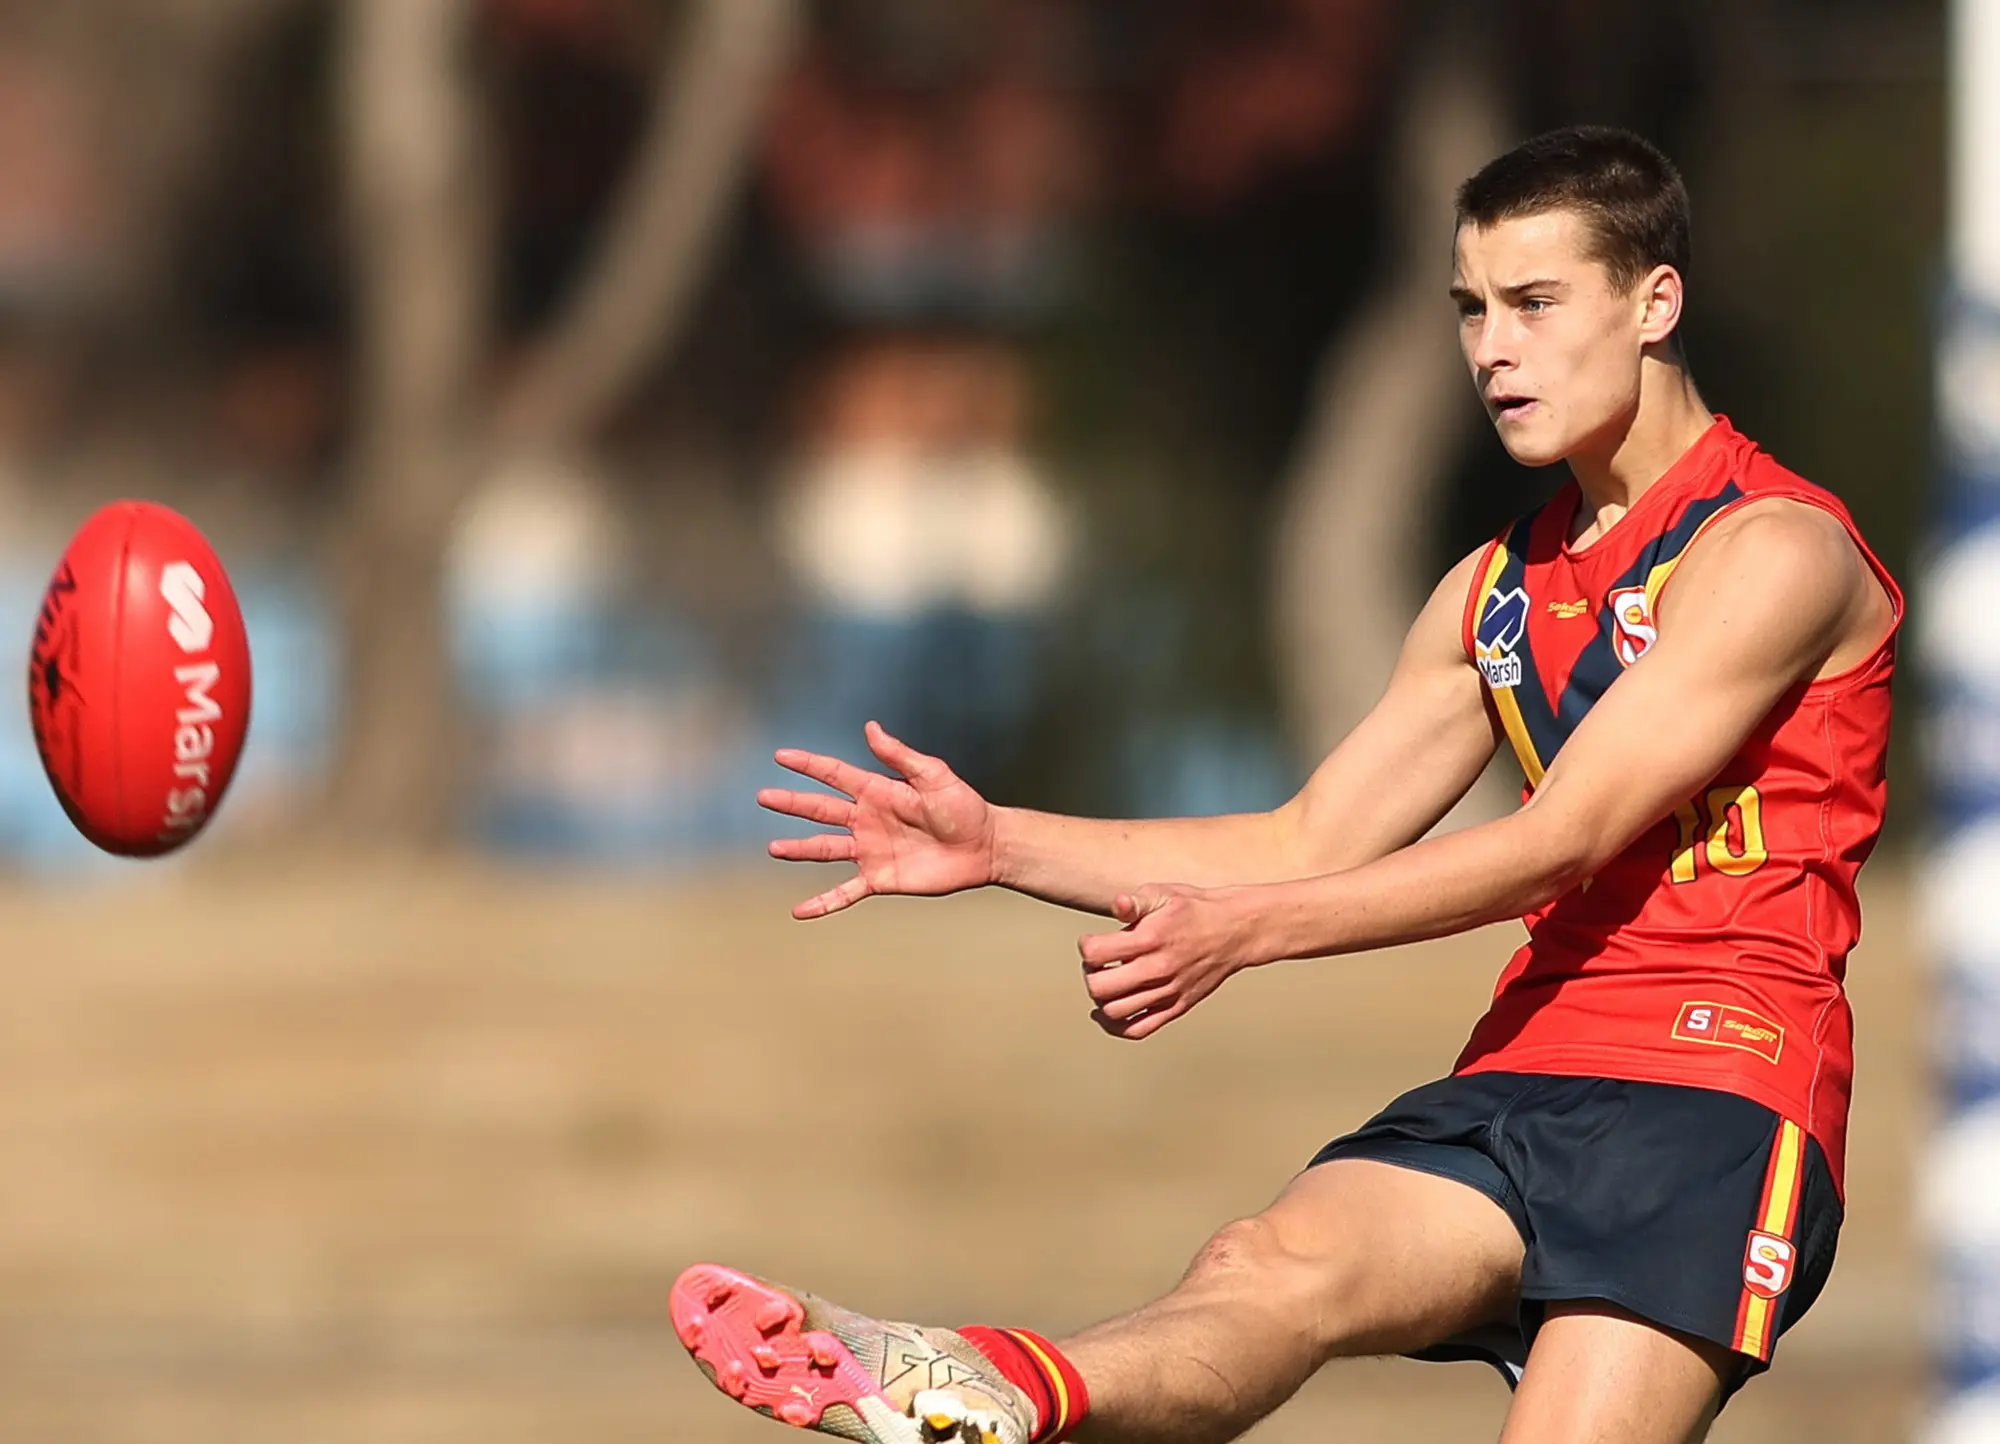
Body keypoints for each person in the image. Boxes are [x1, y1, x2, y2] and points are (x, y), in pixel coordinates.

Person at [670, 125, 1901, 1444]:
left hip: (1717, 1097)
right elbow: (1308, 833)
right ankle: (998, 1390)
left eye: (1536, 304)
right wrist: (998, 841)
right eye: (1472, 309)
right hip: (1529, 1063)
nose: (1493, 348)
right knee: (1262, 1270)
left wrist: (1250, 935)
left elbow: (1567, 836)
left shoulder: (1777, 550)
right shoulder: (1493, 591)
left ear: (1655, 301)